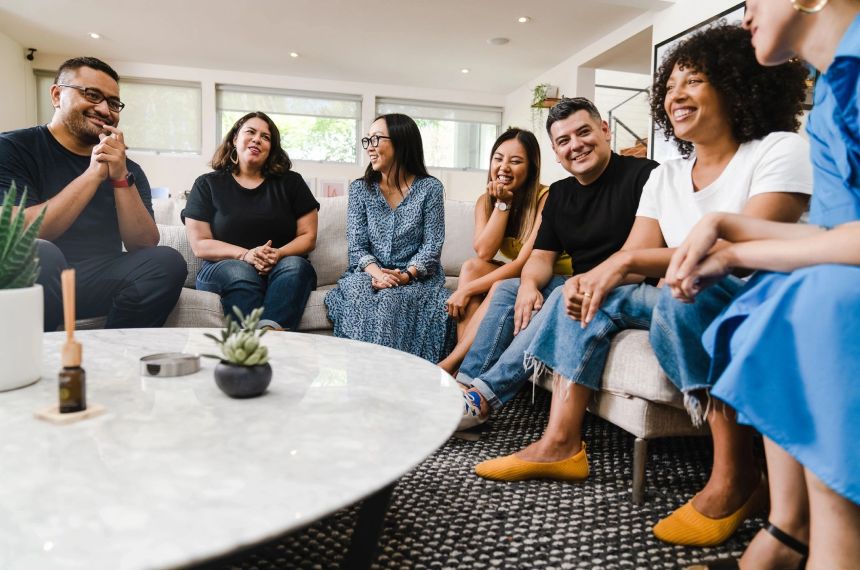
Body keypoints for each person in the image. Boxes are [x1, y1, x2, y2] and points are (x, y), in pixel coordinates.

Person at [472, 26, 812, 547]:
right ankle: (561, 442)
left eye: (693, 81)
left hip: (756, 297)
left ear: (737, 85)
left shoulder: (778, 150)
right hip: (682, 287)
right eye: (670, 87)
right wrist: (597, 277)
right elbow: (637, 254)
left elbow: (744, 247)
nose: (676, 96)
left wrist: (625, 262)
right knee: (574, 290)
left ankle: (735, 477)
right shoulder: (668, 176)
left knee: (680, 292)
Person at [667, 1, 860, 568]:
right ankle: (792, 530)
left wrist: (735, 253)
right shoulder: (827, 101)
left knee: (814, 300)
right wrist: (720, 228)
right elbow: (832, 231)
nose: (745, 13)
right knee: (772, 297)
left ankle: (823, 545)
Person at [457, 97, 659, 429]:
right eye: (564, 141)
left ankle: (484, 397)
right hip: (580, 284)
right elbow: (539, 257)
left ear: (605, 130)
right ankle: (466, 383)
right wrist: (528, 284)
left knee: (564, 291)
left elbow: (639, 257)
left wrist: (573, 284)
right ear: (555, 152)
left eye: (584, 133)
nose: (576, 146)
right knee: (508, 288)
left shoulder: (644, 175)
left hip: (628, 286)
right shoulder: (561, 193)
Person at [0, 56, 186, 331]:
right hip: (38, 275)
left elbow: (144, 244)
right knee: (40, 253)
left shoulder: (127, 167)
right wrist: (93, 174)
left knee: (167, 261)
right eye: (92, 95)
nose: (104, 109)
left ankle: (116, 352)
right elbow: (20, 235)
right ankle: (47, 358)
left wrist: (120, 177)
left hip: (98, 278)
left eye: (113, 103)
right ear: (56, 94)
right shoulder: (14, 148)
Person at [439, 128, 571, 374]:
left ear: (531, 167)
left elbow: (523, 263)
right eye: (498, 159)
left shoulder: (546, 197)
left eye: (516, 161)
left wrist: (466, 289)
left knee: (482, 284)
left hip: (548, 273)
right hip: (523, 271)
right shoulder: (485, 201)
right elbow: (484, 253)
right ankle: (463, 362)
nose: (504, 167)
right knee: (471, 267)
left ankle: (453, 364)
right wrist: (504, 204)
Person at [324, 113, 454, 361]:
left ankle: (397, 375)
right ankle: (364, 373)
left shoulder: (430, 189)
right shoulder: (360, 189)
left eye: (376, 139)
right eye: (367, 140)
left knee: (391, 303)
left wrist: (404, 276)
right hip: (369, 274)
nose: (370, 148)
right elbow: (357, 246)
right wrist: (380, 275)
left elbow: (432, 245)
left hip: (416, 278)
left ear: (401, 142)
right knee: (364, 301)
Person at [182, 112, 319, 330]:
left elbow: (308, 236)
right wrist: (246, 255)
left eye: (266, 137)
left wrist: (278, 254)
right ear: (235, 138)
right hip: (223, 268)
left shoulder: (291, 183)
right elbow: (200, 244)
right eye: (251, 132)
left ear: (271, 148)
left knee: (295, 265)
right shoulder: (207, 184)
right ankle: (252, 344)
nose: (257, 139)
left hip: (282, 266)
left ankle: (267, 334)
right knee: (240, 271)